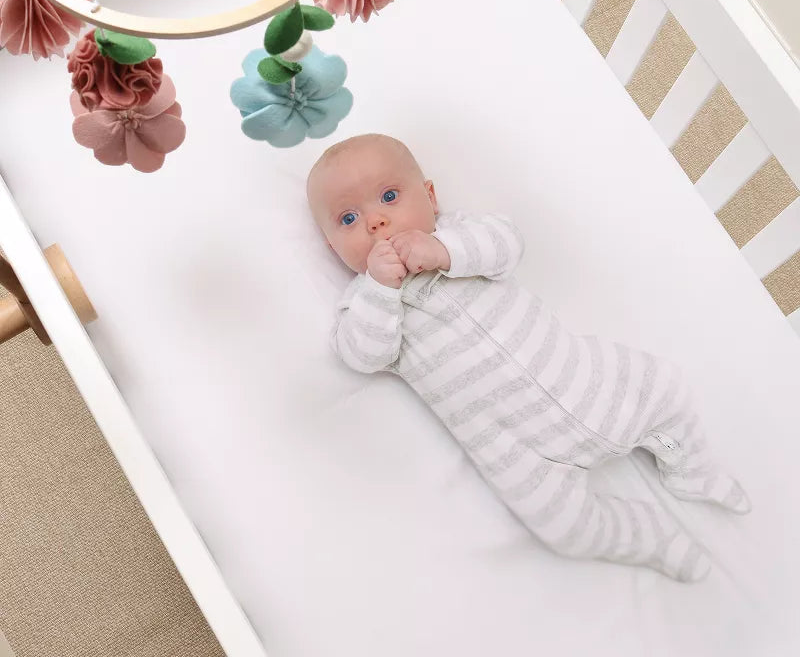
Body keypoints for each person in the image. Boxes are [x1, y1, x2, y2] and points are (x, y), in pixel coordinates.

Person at [306, 133, 750, 582]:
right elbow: (362, 354)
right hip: (518, 451)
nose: (376, 222)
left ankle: (688, 466)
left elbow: (508, 244)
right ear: (332, 248)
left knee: (664, 387)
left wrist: (442, 251)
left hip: (587, 379)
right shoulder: (362, 304)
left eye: (388, 196)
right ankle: (648, 537)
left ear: (431, 196)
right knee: (566, 531)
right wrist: (382, 289)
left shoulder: (460, 235)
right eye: (348, 218)